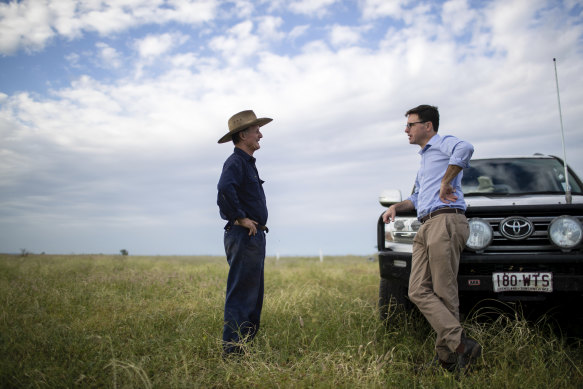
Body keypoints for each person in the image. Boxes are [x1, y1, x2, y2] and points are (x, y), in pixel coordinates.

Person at [382, 105, 482, 372]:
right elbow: (416, 198)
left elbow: (466, 148)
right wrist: (395, 208)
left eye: (411, 125)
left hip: (446, 220)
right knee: (417, 290)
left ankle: (448, 360)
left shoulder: (443, 143)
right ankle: (461, 346)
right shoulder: (425, 159)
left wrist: (447, 180)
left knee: (444, 293)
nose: (406, 130)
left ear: (428, 126)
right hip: (426, 225)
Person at [217, 109, 272, 356]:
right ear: (242, 135)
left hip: (253, 237)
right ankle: (233, 353)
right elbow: (224, 189)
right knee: (241, 295)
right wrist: (240, 217)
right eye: (256, 130)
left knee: (253, 295)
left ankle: (244, 349)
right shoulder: (236, 162)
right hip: (243, 236)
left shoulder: (247, 163)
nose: (260, 134)